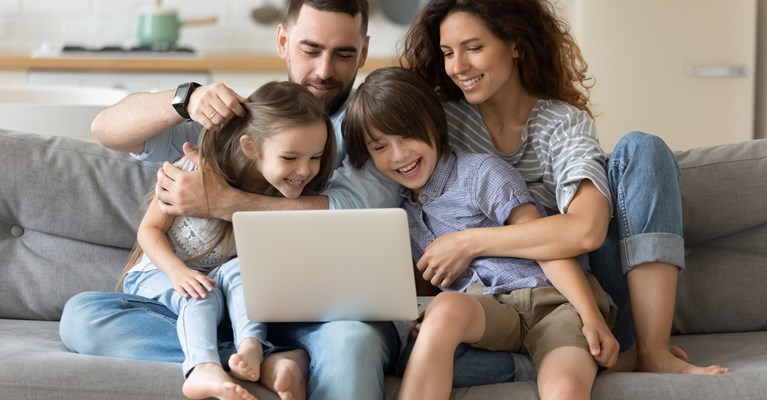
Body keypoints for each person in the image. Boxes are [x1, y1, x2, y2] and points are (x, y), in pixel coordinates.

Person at [60, 2, 404, 400]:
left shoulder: (371, 126)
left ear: (363, 52)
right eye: (310, 50)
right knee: (83, 317)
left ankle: (249, 351)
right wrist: (184, 100)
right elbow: (107, 130)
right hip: (201, 305)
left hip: (303, 313)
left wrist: (222, 201)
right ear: (283, 41)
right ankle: (257, 358)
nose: (324, 70)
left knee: (351, 340)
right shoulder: (237, 123)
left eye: (343, 54)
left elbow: (351, 212)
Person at [399, 0, 728, 374]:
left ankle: (651, 351)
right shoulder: (438, 121)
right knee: (413, 357)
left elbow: (586, 230)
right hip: (487, 308)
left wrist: (468, 241)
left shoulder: (561, 124)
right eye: (447, 53)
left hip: (579, 294)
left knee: (643, 148)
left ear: (516, 44)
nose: (458, 67)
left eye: (473, 48)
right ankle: (581, 363)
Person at [343, 66, 618, 400]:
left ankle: (572, 360)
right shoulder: (402, 213)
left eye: (407, 136)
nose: (399, 155)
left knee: (565, 389)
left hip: (553, 303)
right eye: (380, 147)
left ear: (434, 123)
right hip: (490, 312)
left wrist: (591, 317)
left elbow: (546, 244)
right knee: (443, 310)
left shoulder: (480, 173)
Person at [119, 81, 335, 400]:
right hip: (161, 277)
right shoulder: (194, 171)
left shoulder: (284, 194)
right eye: (290, 157)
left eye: (315, 157)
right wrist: (178, 273)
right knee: (198, 295)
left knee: (237, 272)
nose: (305, 171)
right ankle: (206, 366)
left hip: (225, 301)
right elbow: (148, 231)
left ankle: (250, 349)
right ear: (250, 147)